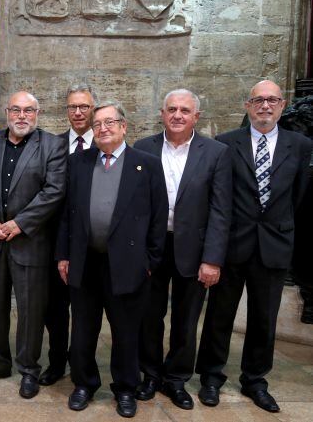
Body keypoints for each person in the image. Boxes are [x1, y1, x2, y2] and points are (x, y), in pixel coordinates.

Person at [196, 80, 312, 413]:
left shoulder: (300, 144)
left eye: (272, 100)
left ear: (283, 104)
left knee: (264, 317)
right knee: (220, 315)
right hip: (233, 243)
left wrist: (282, 229)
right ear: (248, 105)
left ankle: (255, 380)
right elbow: (219, 196)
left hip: (274, 244)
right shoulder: (226, 143)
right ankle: (211, 377)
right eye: (258, 100)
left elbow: (299, 195)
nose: (265, 106)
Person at [57, 100, 167, 417]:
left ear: (123, 126)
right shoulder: (78, 162)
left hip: (128, 266)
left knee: (125, 332)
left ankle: (125, 389)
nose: (102, 129)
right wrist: (63, 255)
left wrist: (150, 262)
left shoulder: (146, 164)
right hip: (85, 262)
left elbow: (159, 219)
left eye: (109, 122)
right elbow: (66, 213)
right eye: (97, 124)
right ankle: (84, 384)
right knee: (83, 331)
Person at [133, 89, 231, 410]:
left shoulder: (216, 153)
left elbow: (220, 210)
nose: (177, 115)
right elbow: (134, 206)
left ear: (196, 117)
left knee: (186, 320)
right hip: (154, 247)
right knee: (149, 316)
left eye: (184, 110)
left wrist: (213, 259)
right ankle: (149, 374)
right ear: (162, 113)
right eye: (171, 109)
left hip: (195, 250)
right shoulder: (143, 148)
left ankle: (176, 379)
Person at [0, 91, 67, 399]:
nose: (21, 115)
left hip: (30, 242)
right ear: (7, 113)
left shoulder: (52, 145)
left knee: (30, 312)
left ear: (37, 114)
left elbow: (53, 192)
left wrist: (19, 223)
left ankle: (28, 369)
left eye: (28, 110)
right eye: (16, 110)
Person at [40, 83, 100, 387]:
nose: (78, 112)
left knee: (87, 311)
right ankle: (56, 361)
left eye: (84, 107)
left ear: (94, 109)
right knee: (56, 309)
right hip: (56, 242)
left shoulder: (106, 144)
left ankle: (83, 363)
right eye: (72, 107)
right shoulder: (53, 145)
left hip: (94, 245)